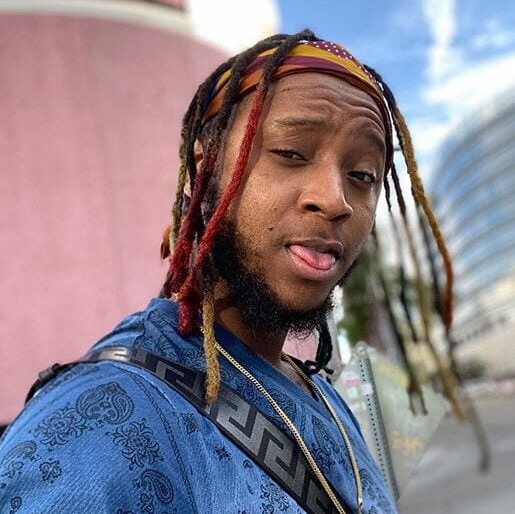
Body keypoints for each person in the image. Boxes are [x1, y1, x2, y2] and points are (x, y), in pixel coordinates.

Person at [0, 30, 455, 513]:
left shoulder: (322, 395)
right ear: (206, 168)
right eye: (291, 153)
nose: (334, 199)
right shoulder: (92, 431)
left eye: (361, 176)